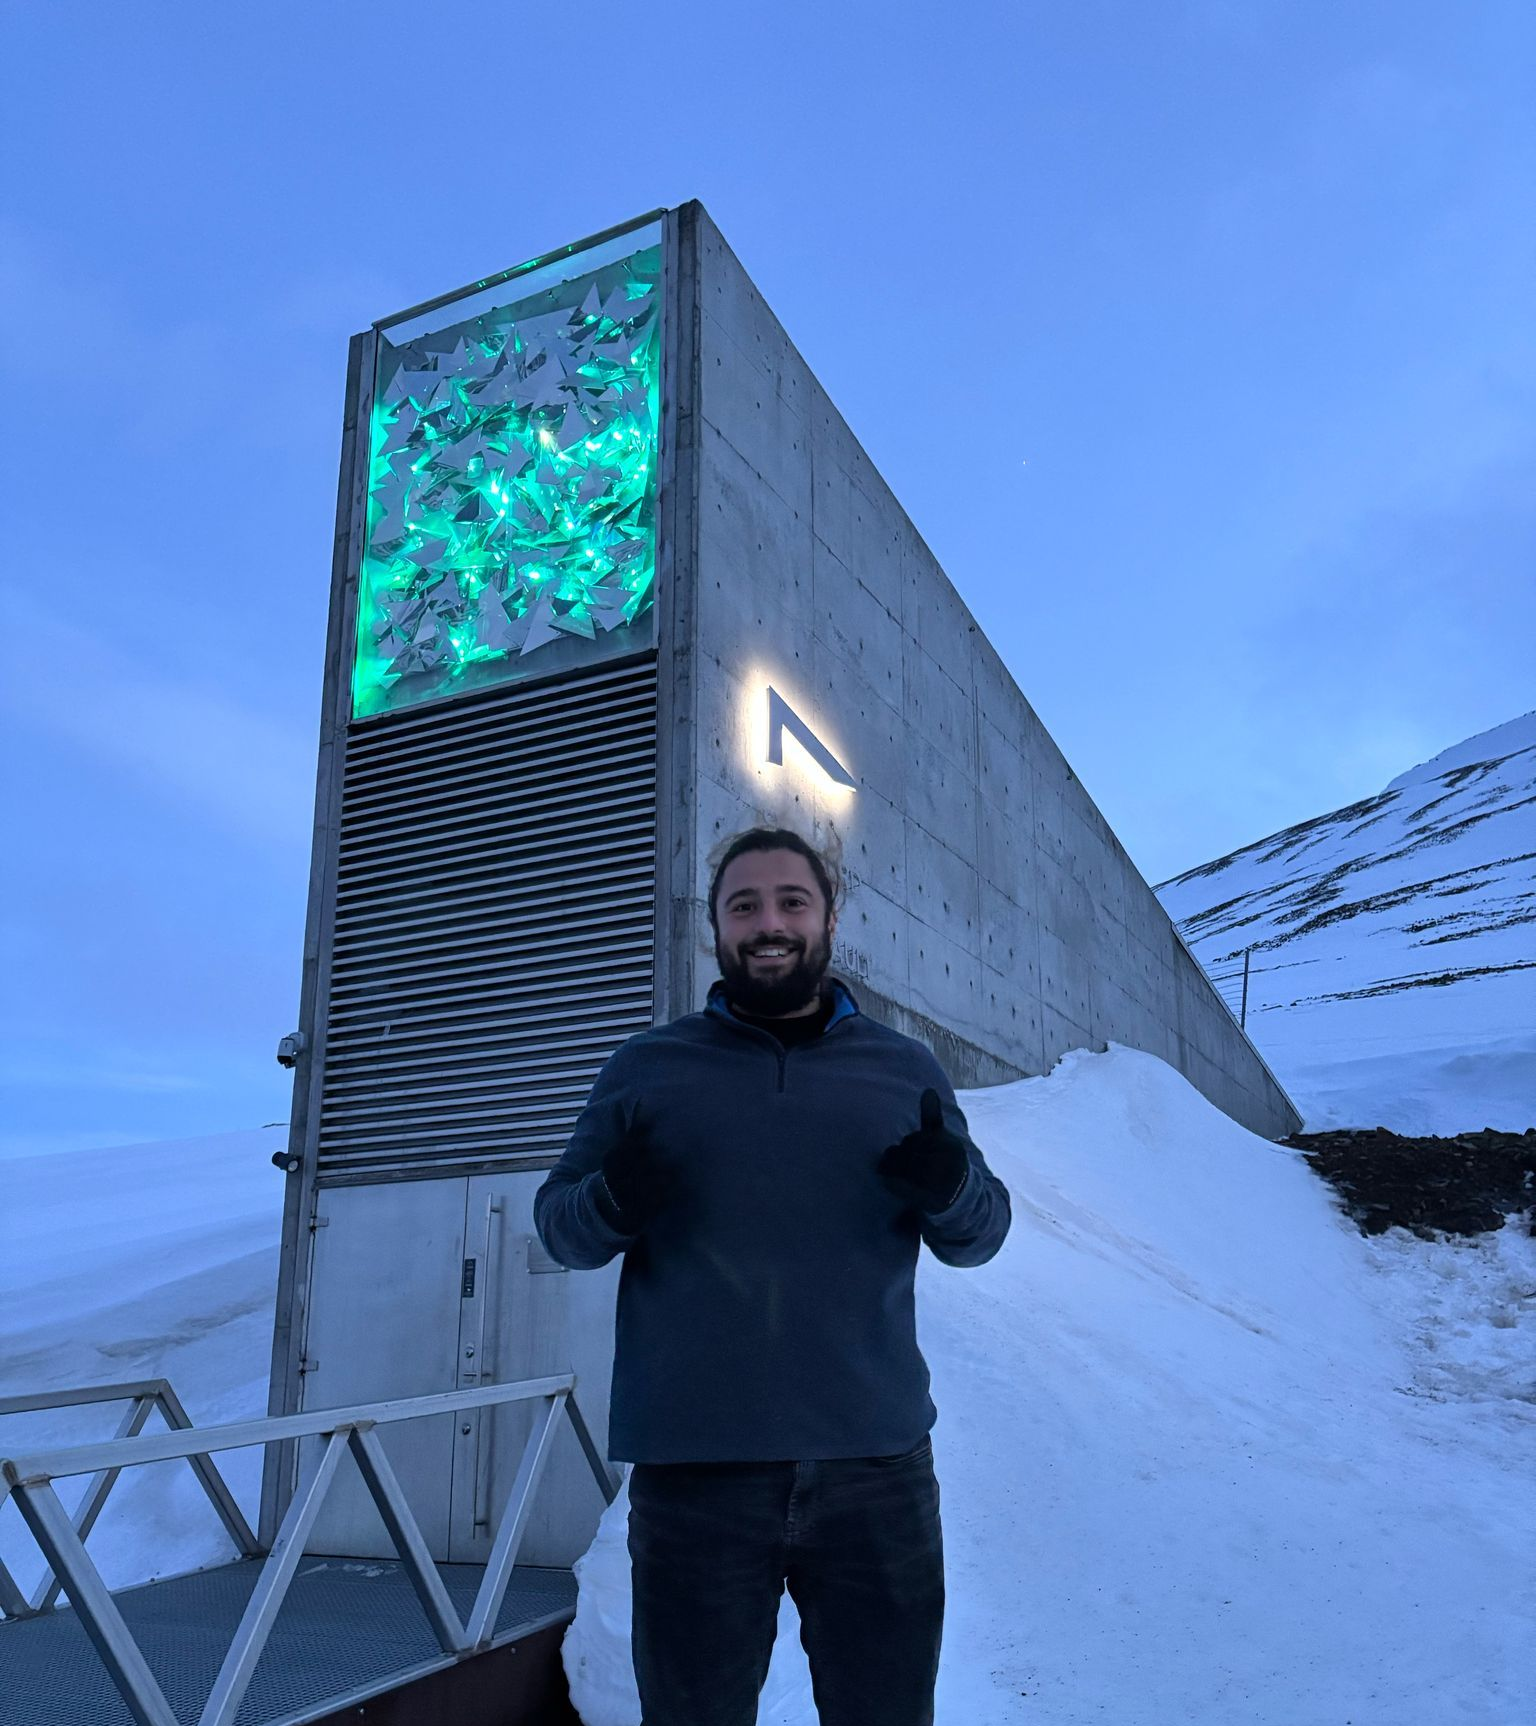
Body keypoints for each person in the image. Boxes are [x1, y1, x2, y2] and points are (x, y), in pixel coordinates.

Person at [534, 826, 1012, 1726]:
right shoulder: (648, 1069)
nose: (769, 924)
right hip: (695, 1477)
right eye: (743, 905)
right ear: (714, 927)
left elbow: (980, 1235)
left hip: (876, 1467)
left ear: (831, 917)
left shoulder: (902, 1069)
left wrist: (951, 1188)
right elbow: (560, 1232)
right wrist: (610, 1199)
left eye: (792, 901)